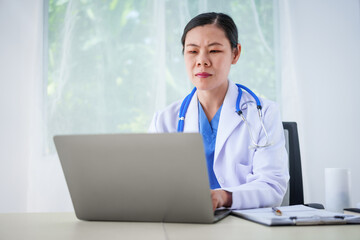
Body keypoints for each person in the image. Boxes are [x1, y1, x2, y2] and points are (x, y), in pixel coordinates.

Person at [149, 12, 289, 210]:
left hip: (244, 226)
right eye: (192, 51)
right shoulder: (164, 120)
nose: (202, 61)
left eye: (214, 51)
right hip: (185, 223)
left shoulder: (263, 113)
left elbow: (272, 187)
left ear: (235, 53)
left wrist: (224, 197)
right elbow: (150, 184)